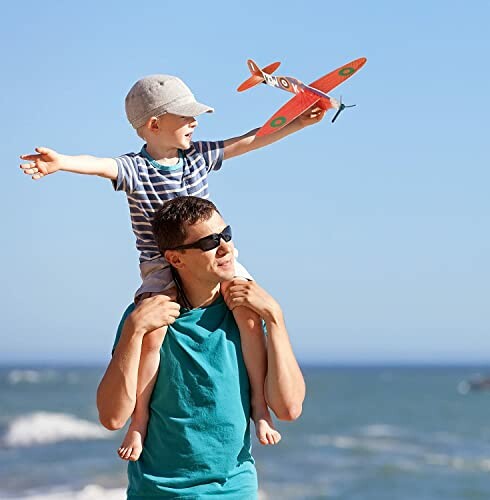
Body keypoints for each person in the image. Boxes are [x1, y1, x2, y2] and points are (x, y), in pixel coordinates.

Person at [20, 74, 323, 460]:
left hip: (212, 256)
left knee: (250, 317)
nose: (196, 123)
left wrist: (298, 123)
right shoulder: (134, 168)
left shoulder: (198, 157)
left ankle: (261, 413)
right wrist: (60, 163)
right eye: (186, 116)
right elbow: (99, 165)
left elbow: (249, 140)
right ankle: (139, 422)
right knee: (153, 335)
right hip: (160, 266)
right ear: (154, 124)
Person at [96, 196, 306, 499]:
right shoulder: (146, 318)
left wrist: (275, 317)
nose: (225, 248)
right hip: (158, 492)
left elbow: (288, 409)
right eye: (209, 242)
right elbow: (112, 418)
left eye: (226, 235)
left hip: (235, 490)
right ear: (176, 259)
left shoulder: (246, 313)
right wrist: (133, 330)